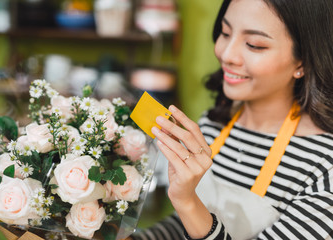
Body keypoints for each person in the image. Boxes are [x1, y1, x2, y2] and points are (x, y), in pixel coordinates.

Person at [130, 0, 333, 239]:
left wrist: (187, 203)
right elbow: (182, 227)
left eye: (254, 45)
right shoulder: (214, 124)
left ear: (303, 61)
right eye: (225, 33)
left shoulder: (324, 168)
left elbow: (193, 213)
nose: (226, 54)